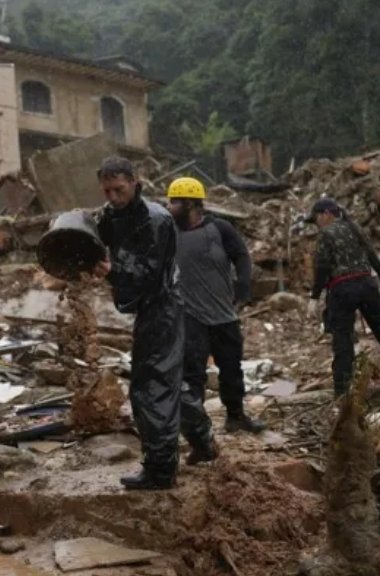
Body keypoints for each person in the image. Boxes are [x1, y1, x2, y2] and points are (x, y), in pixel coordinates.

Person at [92, 156, 191, 490]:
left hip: (162, 304)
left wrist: (112, 271)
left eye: (119, 189)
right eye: (107, 191)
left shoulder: (156, 219)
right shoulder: (111, 215)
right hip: (146, 306)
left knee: (150, 387)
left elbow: (148, 274)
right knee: (167, 378)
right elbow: (92, 235)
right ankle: (204, 442)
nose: (114, 197)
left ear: (135, 181)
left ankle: (161, 471)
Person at [166, 177, 265, 436]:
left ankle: (235, 416)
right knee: (193, 374)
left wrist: (243, 285)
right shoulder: (169, 234)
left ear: (191, 204)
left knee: (231, 369)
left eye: (175, 202)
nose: (170, 207)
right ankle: (198, 430)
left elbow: (241, 255)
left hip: (223, 314)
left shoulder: (219, 229)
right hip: (191, 317)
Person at [305, 198, 380, 396]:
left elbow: (322, 266)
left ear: (326, 214)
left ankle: (341, 396)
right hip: (368, 286)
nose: (316, 223)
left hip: (342, 290)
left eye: (316, 218)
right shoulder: (354, 227)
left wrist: (314, 297)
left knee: (343, 343)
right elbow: (373, 257)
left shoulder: (325, 233)